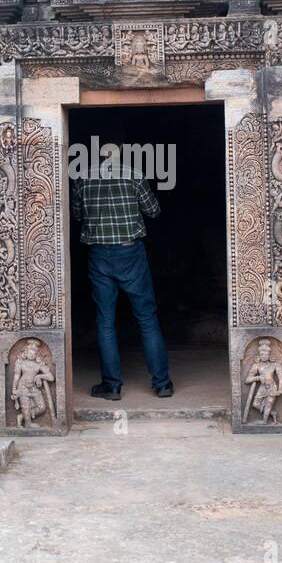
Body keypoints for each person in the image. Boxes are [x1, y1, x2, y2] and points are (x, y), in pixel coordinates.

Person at [70, 147, 172, 400]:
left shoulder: (83, 178)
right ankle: (162, 384)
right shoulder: (134, 175)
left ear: (100, 157)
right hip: (130, 252)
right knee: (146, 317)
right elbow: (154, 210)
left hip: (99, 254)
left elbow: (76, 214)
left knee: (105, 320)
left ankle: (112, 386)